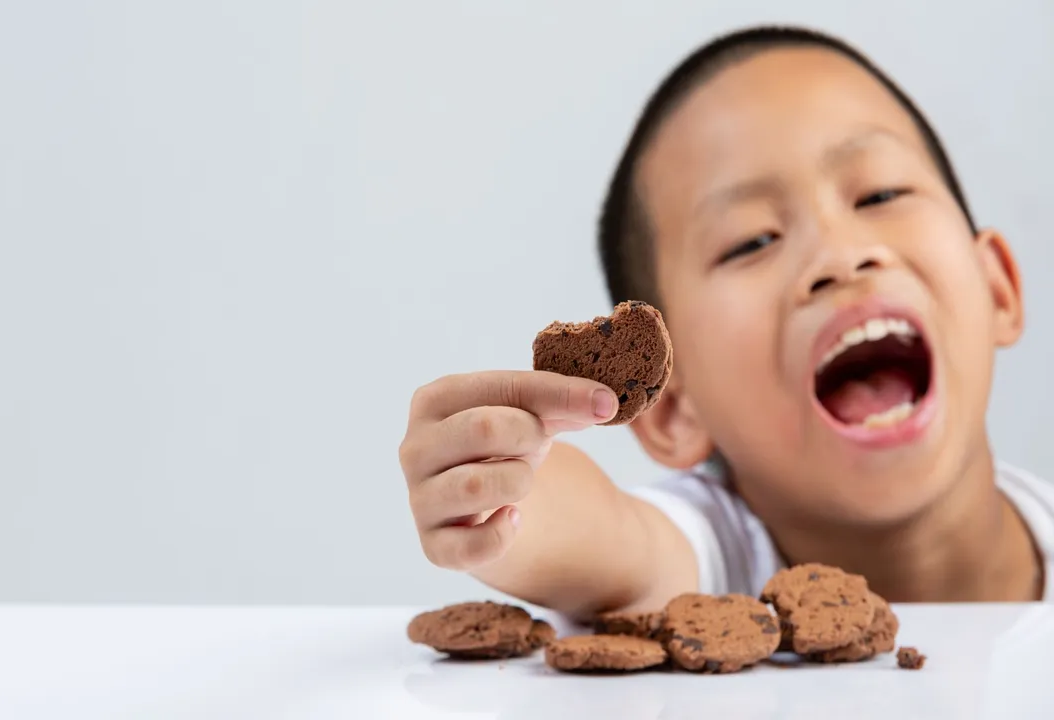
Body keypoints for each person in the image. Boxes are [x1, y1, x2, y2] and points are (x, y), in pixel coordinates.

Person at [397, 25, 1054, 620]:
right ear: (672, 407)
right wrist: (498, 486)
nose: (837, 256)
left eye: (879, 194)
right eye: (751, 241)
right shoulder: (709, 565)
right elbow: (600, 534)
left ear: (996, 288)